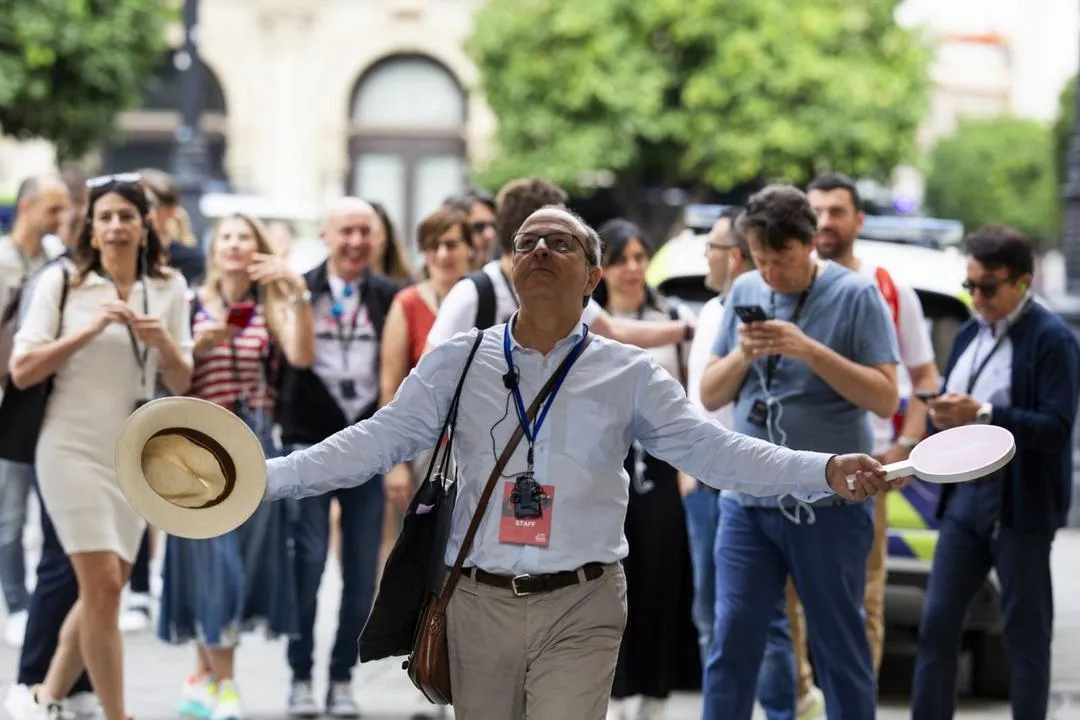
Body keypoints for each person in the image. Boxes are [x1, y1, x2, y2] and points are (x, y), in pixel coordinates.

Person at [262, 204, 897, 720]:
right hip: (476, 602)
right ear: (510, 267)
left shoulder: (627, 372)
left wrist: (823, 469)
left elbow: (715, 452)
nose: (539, 250)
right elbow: (373, 441)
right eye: (527, 241)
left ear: (592, 278)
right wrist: (266, 477)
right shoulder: (458, 361)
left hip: (583, 602)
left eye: (559, 243)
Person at [698, 184, 900, 720]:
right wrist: (743, 354)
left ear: (810, 244)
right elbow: (710, 392)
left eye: (780, 260)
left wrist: (807, 349)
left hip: (829, 505)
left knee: (840, 646)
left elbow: (884, 397)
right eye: (760, 261)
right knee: (732, 641)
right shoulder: (744, 290)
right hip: (748, 501)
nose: (770, 275)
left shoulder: (856, 295)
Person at [9, 174, 193, 720]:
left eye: (126, 217)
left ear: (145, 226)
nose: (115, 226)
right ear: (90, 225)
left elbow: (181, 380)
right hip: (68, 448)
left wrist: (161, 339)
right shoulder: (61, 282)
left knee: (104, 591)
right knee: (105, 582)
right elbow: (21, 371)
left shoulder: (169, 286)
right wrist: (87, 331)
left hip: (135, 453)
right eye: (105, 216)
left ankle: (46, 699)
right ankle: (118, 715)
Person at [912, 225, 1080, 720]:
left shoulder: (1052, 339)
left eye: (988, 286)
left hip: (1020, 500)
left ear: (1021, 282)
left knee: (1025, 634)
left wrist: (982, 413)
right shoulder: (970, 331)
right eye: (971, 285)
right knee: (937, 625)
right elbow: (957, 409)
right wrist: (943, 416)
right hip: (965, 499)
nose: (977, 296)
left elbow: (1056, 427)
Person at [789, 171, 941, 714]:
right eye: (817, 211)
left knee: (864, 596)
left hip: (868, 469)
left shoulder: (888, 289)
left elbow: (924, 377)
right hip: (795, 469)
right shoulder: (787, 283)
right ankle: (804, 697)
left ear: (859, 220)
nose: (826, 222)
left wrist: (904, 447)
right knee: (790, 599)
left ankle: (850, 704)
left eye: (837, 211)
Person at [157, 213, 315, 719]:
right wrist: (192, 348)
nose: (234, 244)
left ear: (258, 248)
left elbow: (303, 357)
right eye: (226, 236)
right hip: (195, 448)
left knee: (237, 567)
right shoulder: (188, 304)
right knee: (214, 564)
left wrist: (298, 293)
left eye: (244, 237)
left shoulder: (271, 306)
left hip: (253, 448)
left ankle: (202, 677)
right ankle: (225, 685)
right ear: (214, 249)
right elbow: (168, 379)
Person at [275, 197, 399, 718]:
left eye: (365, 232)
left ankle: (342, 676)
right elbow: (291, 357)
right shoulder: (298, 288)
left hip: (367, 449)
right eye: (345, 231)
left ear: (378, 239)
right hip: (307, 443)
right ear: (325, 235)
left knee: (360, 571)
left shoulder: (391, 296)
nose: (355, 242)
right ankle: (301, 674)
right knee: (304, 564)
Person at [593, 219, 700, 720]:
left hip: (661, 462)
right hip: (601, 462)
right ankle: (612, 694)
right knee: (608, 581)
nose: (633, 269)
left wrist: (689, 466)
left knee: (659, 577)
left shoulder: (672, 316)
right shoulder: (590, 320)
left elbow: (690, 398)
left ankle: (654, 694)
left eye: (640, 257)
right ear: (602, 268)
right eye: (621, 258)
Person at [425, 177, 694, 352]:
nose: (566, 241)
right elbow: (429, 372)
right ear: (530, 230)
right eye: (560, 231)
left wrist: (687, 329)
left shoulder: (561, 289)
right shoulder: (474, 294)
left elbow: (612, 331)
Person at [0, 175, 69, 647]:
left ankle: (40, 601)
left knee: (46, 506)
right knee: (9, 509)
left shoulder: (55, 263)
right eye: (53, 210)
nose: (61, 220)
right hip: (8, 396)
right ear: (27, 208)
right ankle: (15, 602)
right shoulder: (3, 259)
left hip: (40, 400)